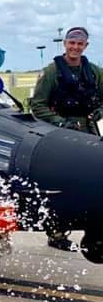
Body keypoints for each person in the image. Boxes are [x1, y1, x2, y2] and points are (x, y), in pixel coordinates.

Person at [29, 27, 103, 250]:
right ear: (65, 44)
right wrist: (60, 122)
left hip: (88, 132)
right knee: (62, 182)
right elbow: (37, 105)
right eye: (72, 43)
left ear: (85, 46)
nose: (75, 47)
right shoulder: (52, 72)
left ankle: (95, 231)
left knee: (93, 180)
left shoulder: (94, 71)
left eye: (80, 44)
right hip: (61, 135)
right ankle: (56, 231)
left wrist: (99, 110)